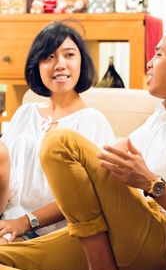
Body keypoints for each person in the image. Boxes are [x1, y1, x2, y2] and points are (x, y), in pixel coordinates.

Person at [0, 23, 166, 270]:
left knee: (59, 141)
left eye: (158, 55)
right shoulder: (160, 118)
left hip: (164, 245)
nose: (149, 63)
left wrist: (151, 183)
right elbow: (102, 164)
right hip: (115, 236)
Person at [0, 21, 115, 244]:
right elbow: (7, 183)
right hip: (10, 225)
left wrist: (25, 222)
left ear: (82, 61)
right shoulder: (25, 113)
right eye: (48, 57)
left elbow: (89, 197)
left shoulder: (93, 121)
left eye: (69, 55)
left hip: (60, 235)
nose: (59, 64)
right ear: (37, 66)